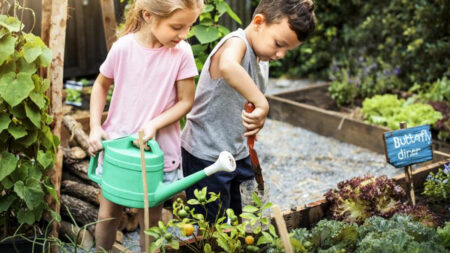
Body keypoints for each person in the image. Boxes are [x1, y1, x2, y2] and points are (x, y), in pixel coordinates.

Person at [181, 0, 316, 223]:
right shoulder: (236, 43)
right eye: (278, 44)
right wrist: (262, 104)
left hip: (238, 152)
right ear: (258, 22)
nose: (281, 54)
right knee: (212, 228)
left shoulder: (263, 56)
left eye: (287, 50)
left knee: (245, 217)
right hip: (207, 156)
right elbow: (228, 66)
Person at [87, 0, 203, 251]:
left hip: (156, 153)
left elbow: (186, 101)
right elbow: (100, 85)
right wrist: (95, 126)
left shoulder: (182, 52)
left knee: (150, 220)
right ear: (149, 16)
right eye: (177, 27)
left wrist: (154, 124)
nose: (184, 35)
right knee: (107, 216)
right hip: (118, 150)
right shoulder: (123, 48)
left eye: (189, 27)